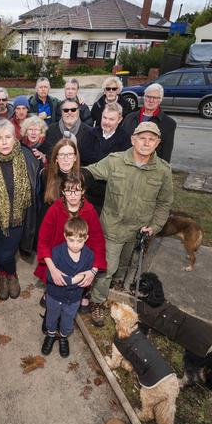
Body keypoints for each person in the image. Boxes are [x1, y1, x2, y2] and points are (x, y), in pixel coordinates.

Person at [83, 121, 173, 327]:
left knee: (125, 265)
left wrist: (155, 226)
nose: (146, 143)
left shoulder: (163, 171)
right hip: (113, 227)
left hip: (138, 231)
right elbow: (90, 171)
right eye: (142, 138)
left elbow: (164, 202)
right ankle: (96, 301)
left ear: (158, 143)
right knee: (107, 267)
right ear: (133, 140)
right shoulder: (115, 161)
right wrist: (70, 173)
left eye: (151, 139)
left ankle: (117, 286)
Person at [0, 119, 41, 300]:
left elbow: (38, 187)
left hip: (18, 218)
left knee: (7, 253)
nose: (4, 142)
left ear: (15, 138)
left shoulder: (28, 158)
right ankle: (4, 277)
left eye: (8, 137)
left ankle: (11, 274)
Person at [35, 172, 106, 313]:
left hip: (80, 260)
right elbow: (43, 241)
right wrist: (53, 270)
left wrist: (93, 271)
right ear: (63, 191)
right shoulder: (55, 209)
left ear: (83, 191)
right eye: (68, 190)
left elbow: (98, 241)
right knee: (55, 295)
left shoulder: (90, 211)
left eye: (77, 190)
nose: (73, 195)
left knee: (74, 297)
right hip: (58, 259)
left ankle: (82, 293)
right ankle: (52, 291)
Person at [40, 217, 95, 358]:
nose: (75, 245)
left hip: (74, 298)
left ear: (86, 238)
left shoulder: (89, 255)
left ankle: (63, 337)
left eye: (79, 241)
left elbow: (86, 278)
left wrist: (81, 279)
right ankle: (51, 335)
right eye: (71, 240)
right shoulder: (57, 252)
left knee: (68, 320)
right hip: (54, 295)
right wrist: (73, 280)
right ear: (65, 236)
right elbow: (50, 276)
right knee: (51, 317)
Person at [121, 83, 177, 163]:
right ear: (144, 97)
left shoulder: (169, 124)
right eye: (148, 96)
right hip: (127, 163)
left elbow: (166, 153)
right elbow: (121, 142)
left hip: (150, 167)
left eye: (155, 98)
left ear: (160, 100)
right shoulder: (129, 117)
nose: (151, 100)